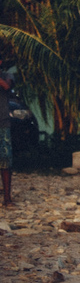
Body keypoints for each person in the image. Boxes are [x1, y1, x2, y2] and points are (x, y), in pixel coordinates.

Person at [0, 72, 14, 207]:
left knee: (6, 162)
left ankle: (7, 198)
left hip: (2, 124)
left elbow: (7, 86)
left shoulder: (7, 75)